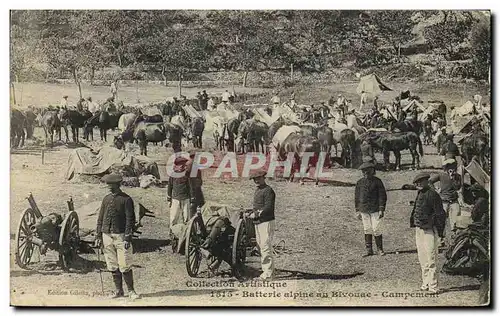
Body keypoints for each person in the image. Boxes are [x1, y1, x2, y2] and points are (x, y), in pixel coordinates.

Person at [95, 174, 139, 300]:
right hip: (106, 235)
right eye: (107, 184)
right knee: (112, 264)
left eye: (110, 184)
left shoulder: (126, 200)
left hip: (121, 237)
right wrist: (98, 236)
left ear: (117, 185)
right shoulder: (106, 199)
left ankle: (131, 291)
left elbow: (130, 220)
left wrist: (127, 238)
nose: (108, 186)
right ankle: (118, 291)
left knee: (125, 264)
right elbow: (100, 218)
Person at [410, 172, 446, 294]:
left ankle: (433, 286)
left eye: (421, 182)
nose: (418, 184)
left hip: (429, 230)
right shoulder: (420, 193)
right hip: (419, 229)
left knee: (431, 258)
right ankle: (425, 283)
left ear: (427, 182)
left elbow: (440, 214)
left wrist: (440, 232)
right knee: (422, 258)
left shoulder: (433, 195)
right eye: (417, 182)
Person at [355, 161, 387, 257]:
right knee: (367, 229)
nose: (365, 174)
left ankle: (379, 249)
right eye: (364, 172)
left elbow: (382, 196)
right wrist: (357, 210)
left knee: (376, 228)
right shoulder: (359, 183)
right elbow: (357, 197)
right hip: (364, 209)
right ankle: (369, 249)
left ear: (372, 171)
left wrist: (381, 209)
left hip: (375, 209)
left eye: (368, 172)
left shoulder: (377, 182)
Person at [249, 169, 276, 280]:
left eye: (258, 178)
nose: (256, 181)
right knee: (260, 247)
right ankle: (266, 270)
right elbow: (257, 206)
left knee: (265, 247)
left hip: (266, 221)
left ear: (264, 178)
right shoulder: (258, 190)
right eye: (254, 179)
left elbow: (268, 208)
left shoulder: (268, 190)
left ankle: (268, 273)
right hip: (258, 222)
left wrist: (257, 213)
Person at [429, 159, 462, 244]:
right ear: (446, 168)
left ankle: (455, 238)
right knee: (441, 221)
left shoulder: (458, 176)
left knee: (456, 220)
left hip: (454, 201)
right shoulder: (441, 175)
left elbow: (457, 187)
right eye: (450, 167)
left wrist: (452, 178)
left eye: (453, 167)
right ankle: (441, 238)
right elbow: (429, 182)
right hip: (443, 201)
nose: (452, 169)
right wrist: (435, 190)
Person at [167, 157, 192, 229]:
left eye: (183, 165)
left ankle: (186, 235)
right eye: (180, 165)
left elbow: (190, 187)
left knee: (187, 218)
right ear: (176, 166)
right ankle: (172, 234)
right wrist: (169, 199)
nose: (182, 167)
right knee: (174, 218)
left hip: (186, 199)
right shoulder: (173, 175)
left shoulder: (187, 175)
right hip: (175, 199)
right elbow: (170, 187)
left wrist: (191, 199)